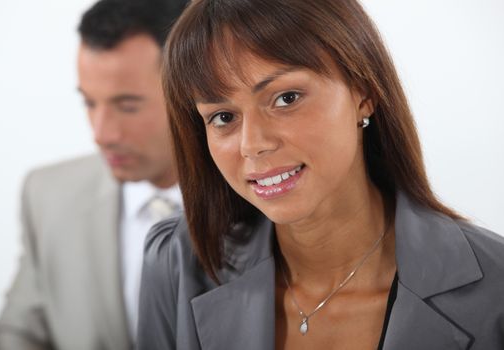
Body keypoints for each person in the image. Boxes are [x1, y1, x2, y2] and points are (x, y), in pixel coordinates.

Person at [137, 0, 504, 349]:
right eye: (224, 117)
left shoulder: (495, 287)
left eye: (286, 98)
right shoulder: (177, 263)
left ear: (364, 92)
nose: (253, 144)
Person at [0, 0, 188, 349]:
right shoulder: (47, 196)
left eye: (127, 106)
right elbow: (19, 334)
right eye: (89, 102)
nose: (101, 134)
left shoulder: (264, 197)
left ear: (192, 92)